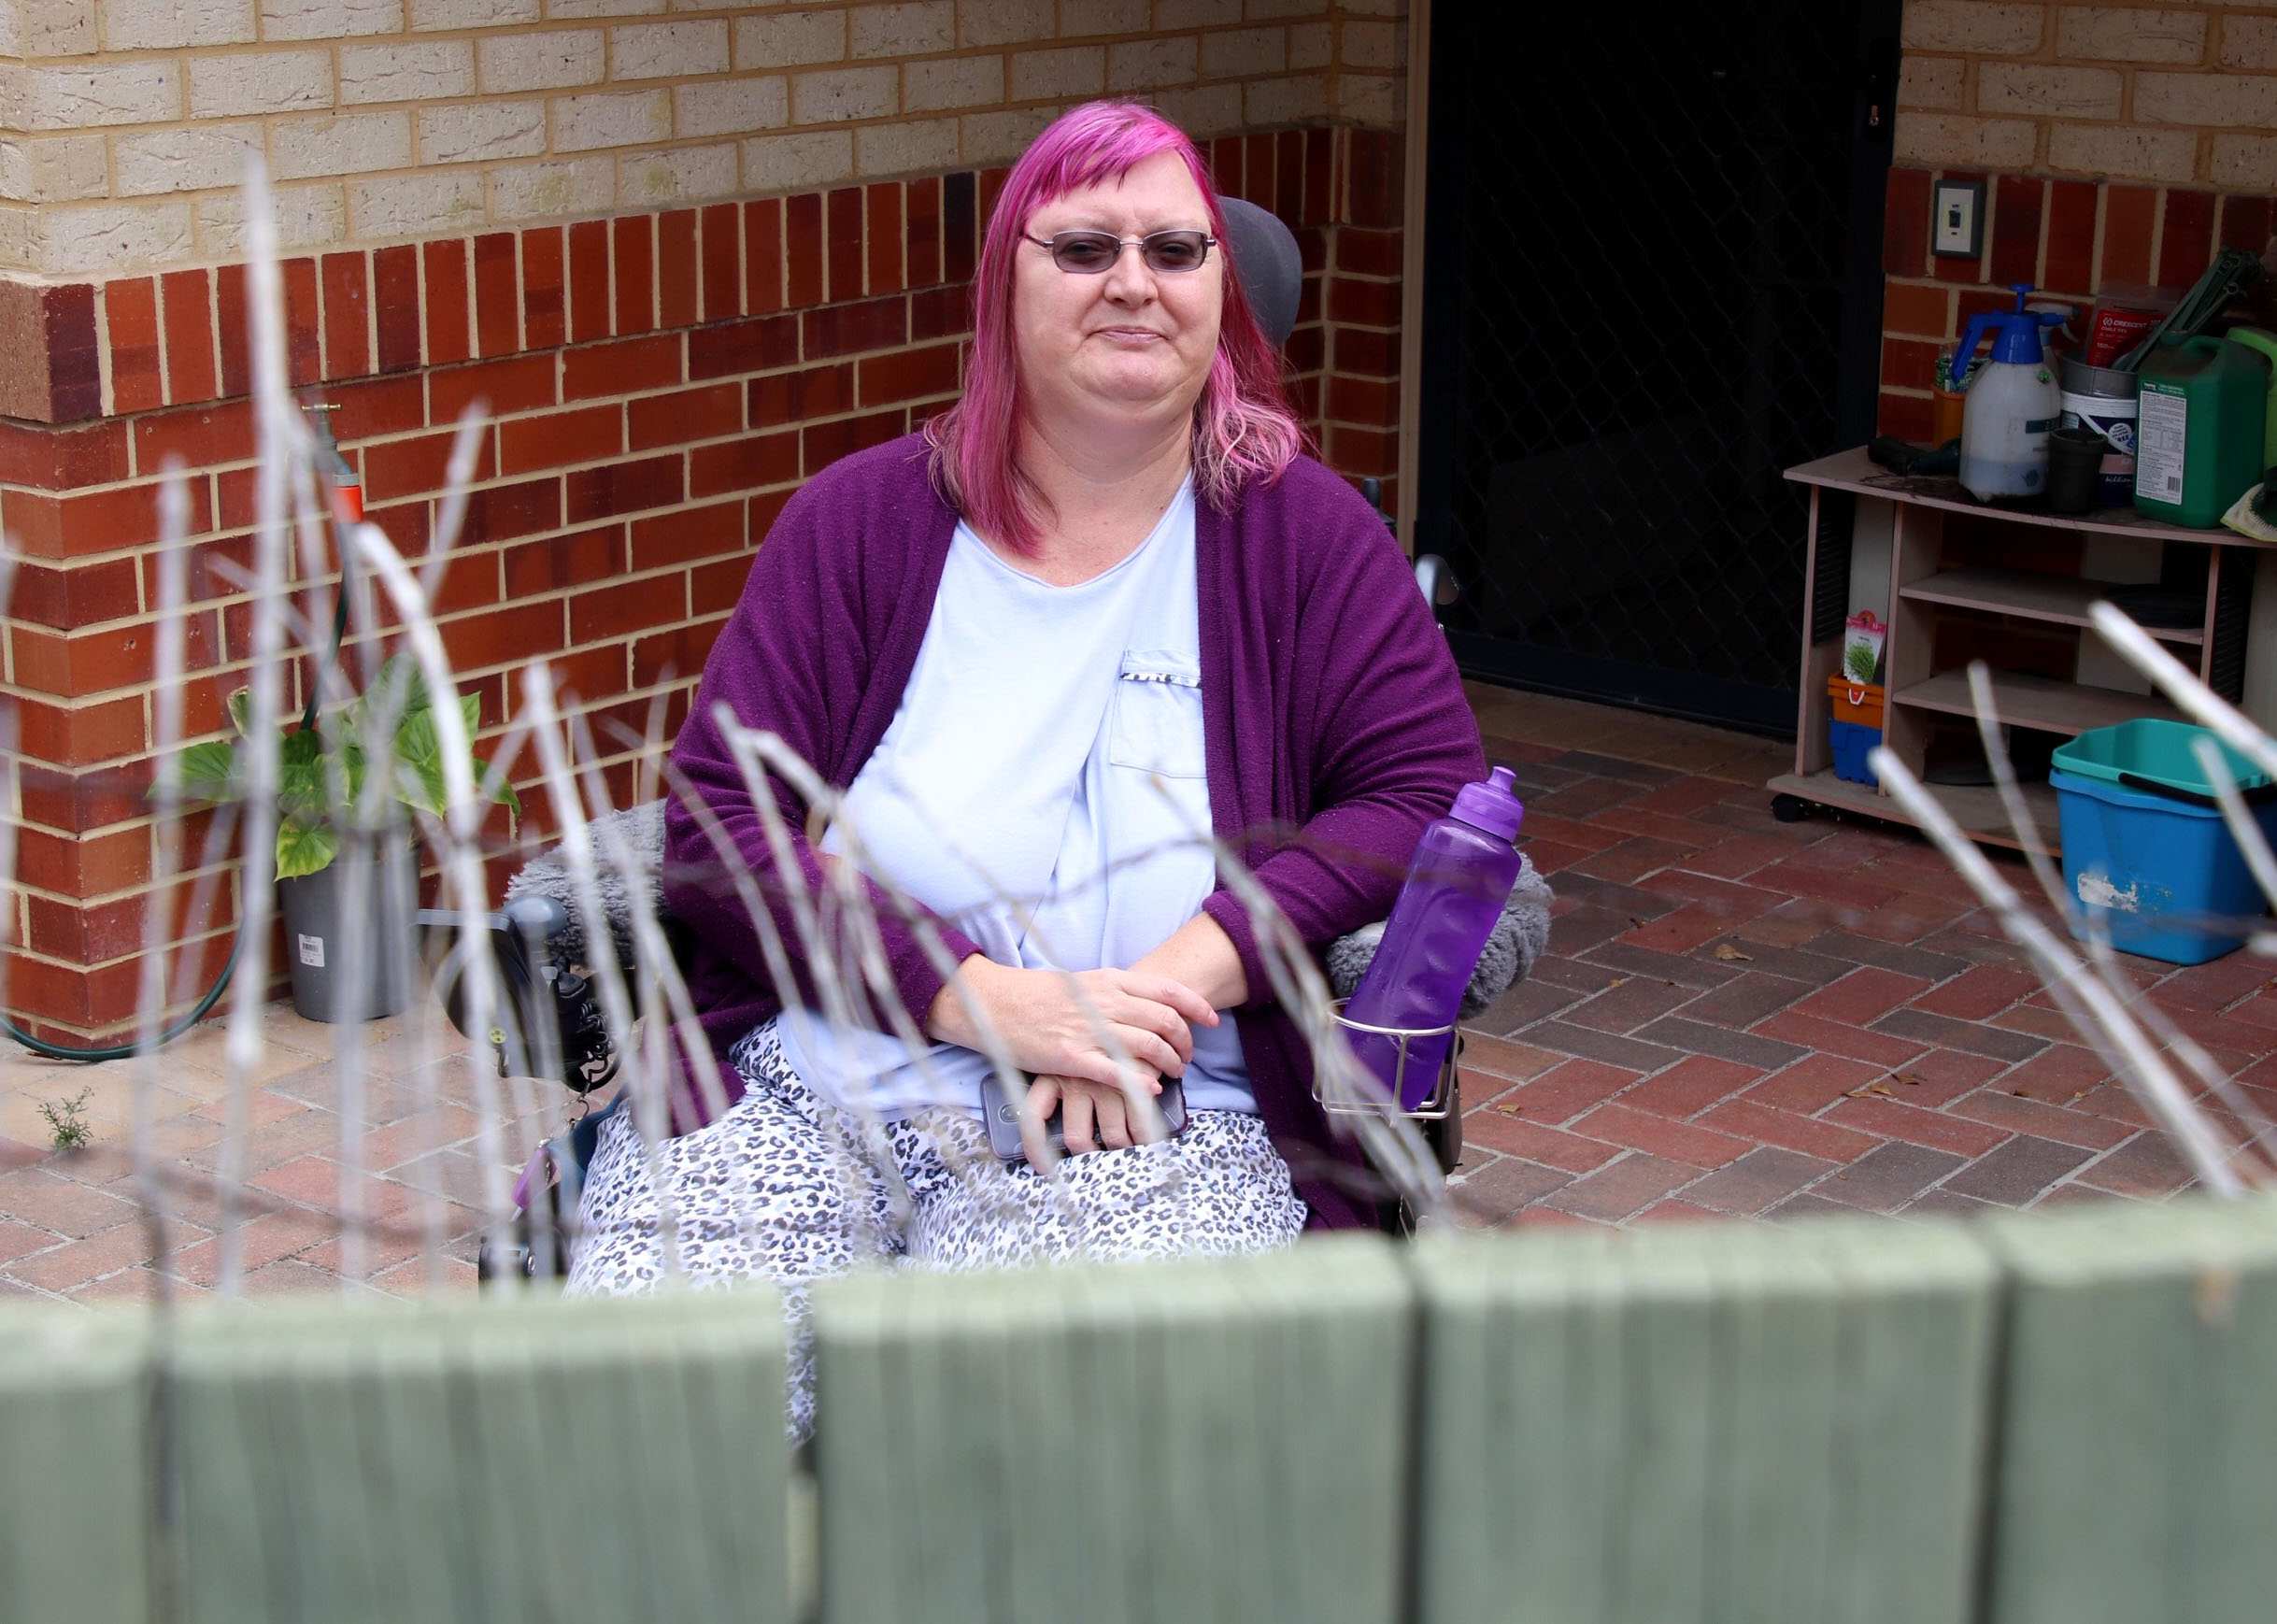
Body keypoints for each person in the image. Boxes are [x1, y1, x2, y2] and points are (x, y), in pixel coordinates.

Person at [565, 99, 1485, 1430]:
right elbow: (721, 824)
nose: (1133, 281)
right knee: (640, 1416)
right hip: (810, 1092)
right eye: (1084, 247)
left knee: (1012, 1457)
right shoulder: (863, 524)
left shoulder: (1299, 535)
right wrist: (984, 999)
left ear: (1222, 298)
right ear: (1008, 283)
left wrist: (1178, 975)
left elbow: (1426, 792)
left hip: (1148, 1126)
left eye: (1175, 250)